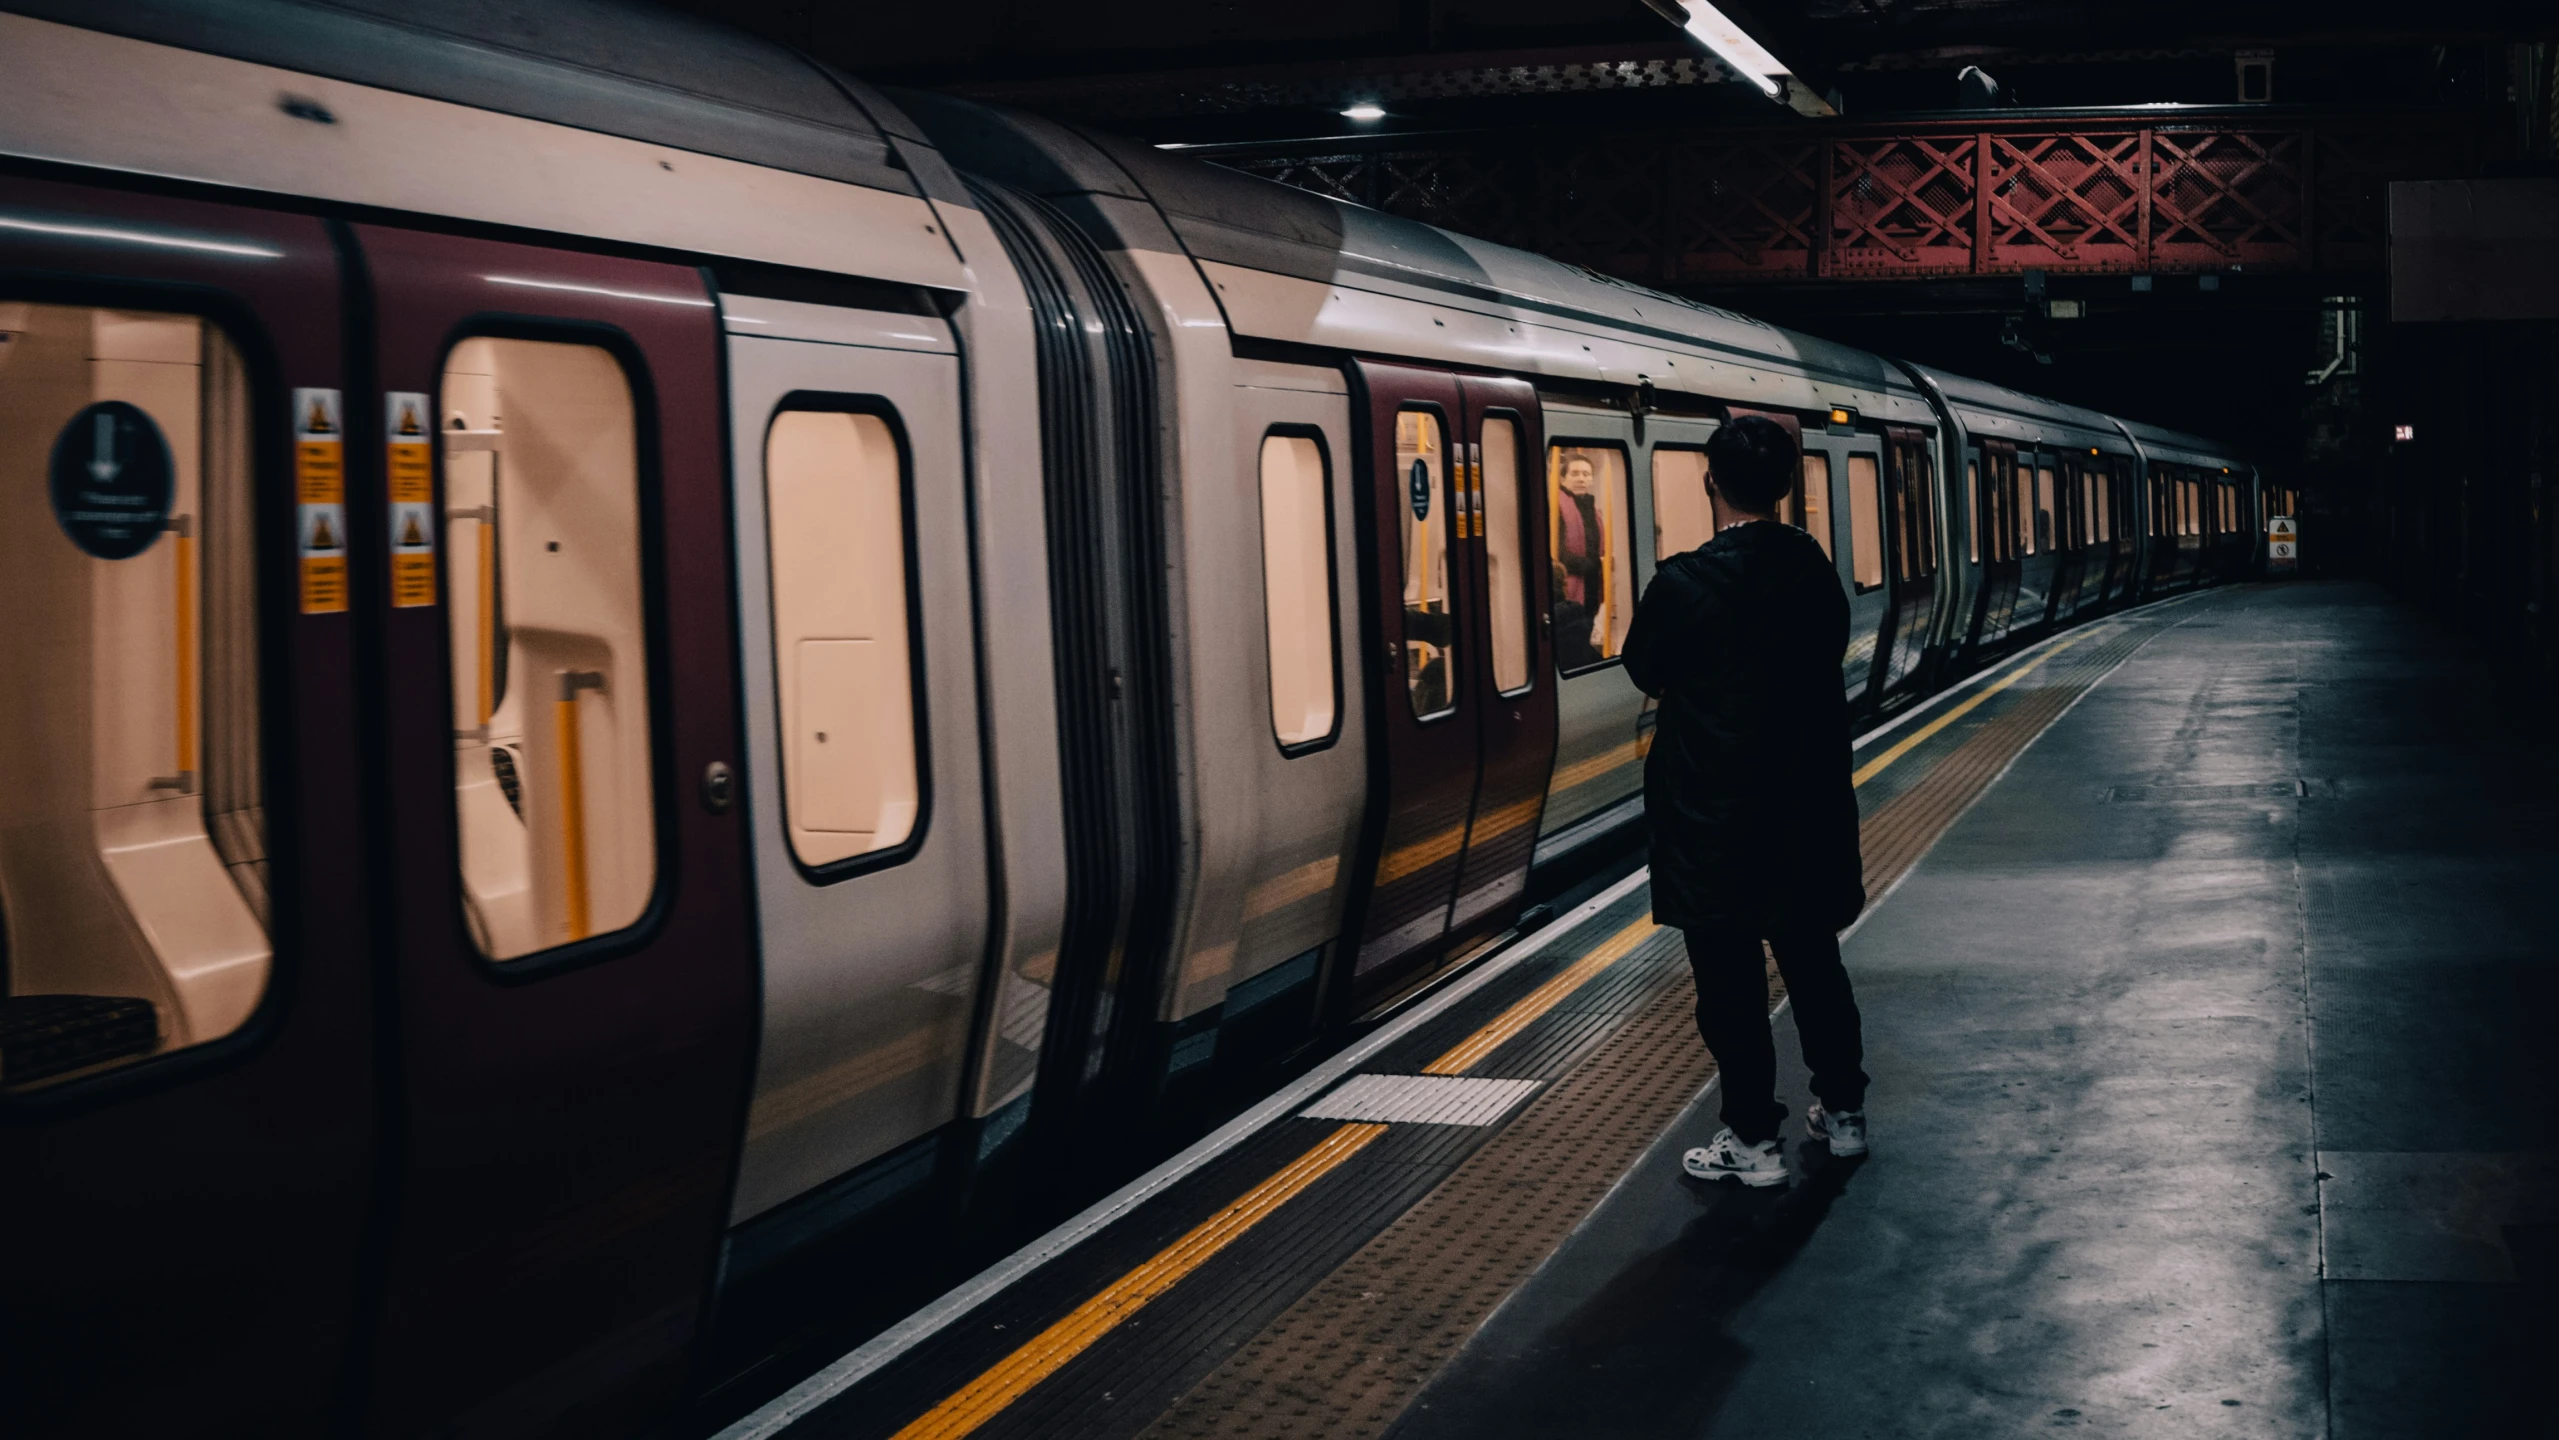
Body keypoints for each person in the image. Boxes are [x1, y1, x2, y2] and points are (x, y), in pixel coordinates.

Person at [1621, 414, 1869, 1189]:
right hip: (1804, 805)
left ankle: (1752, 1142)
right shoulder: (1813, 572)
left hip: (1711, 815)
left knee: (1727, 983)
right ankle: (1845, 1115)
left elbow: (1644, 668)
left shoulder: (1680, 584)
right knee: (1814, 965)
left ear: (1708, 484)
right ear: (1787, 488)